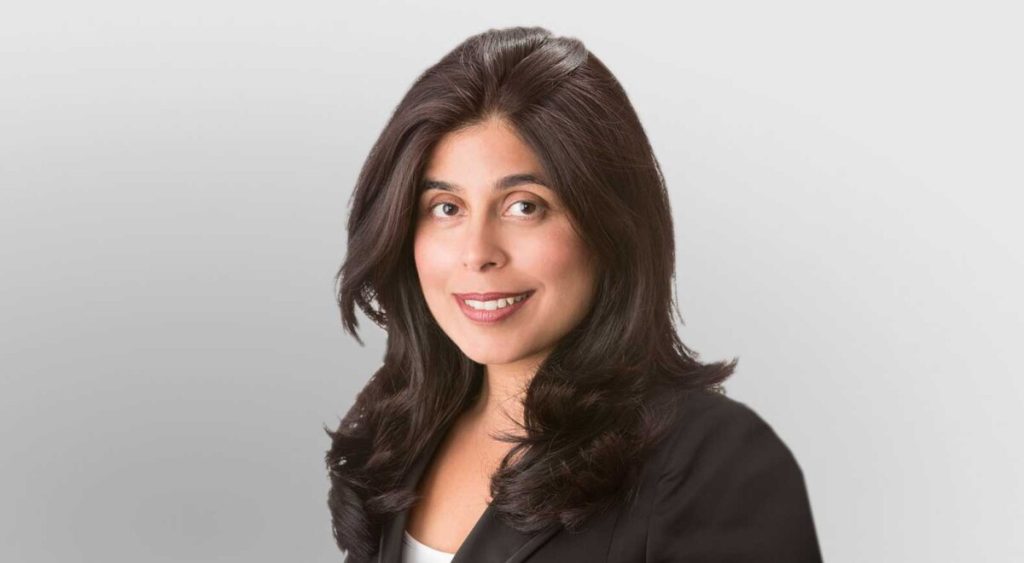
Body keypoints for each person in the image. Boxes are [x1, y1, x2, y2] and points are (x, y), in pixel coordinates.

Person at [325, 26, 822, 563]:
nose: (477, 253)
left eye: (524, 206)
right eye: (446, 208)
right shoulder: (399, 439)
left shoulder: (713, 464)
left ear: (611, 225)